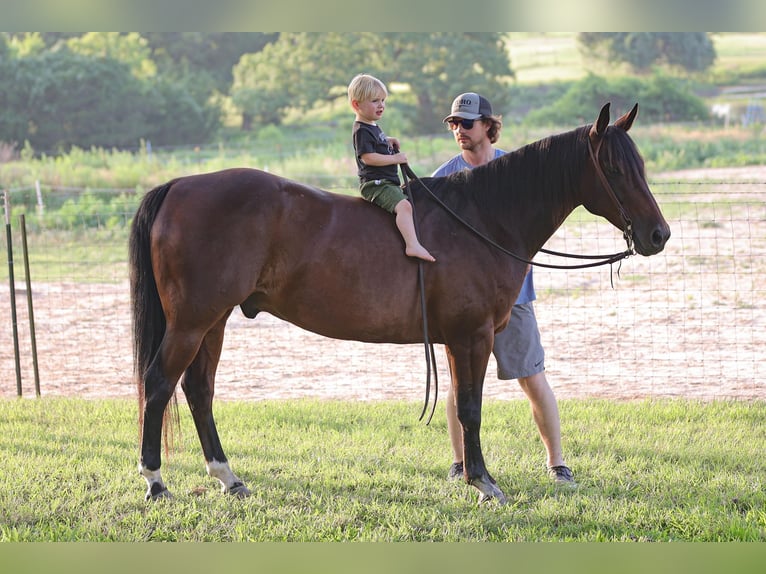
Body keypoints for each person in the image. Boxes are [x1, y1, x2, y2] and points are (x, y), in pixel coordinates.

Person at [432, 92, 575, 486]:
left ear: (488, 126)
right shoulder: (446, 176)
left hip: (515, 297)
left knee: (532, 378)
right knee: (460, 384)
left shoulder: (517, 172)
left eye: (466, 123)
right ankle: (460, 463)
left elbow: (537, 225)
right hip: (464, 303)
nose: (459, 131)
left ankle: (557, 464)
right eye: (454, 124)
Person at [347, 73, 435, 262]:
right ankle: (413, 245)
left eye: (383, 100)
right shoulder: (361, 130)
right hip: (376, 184)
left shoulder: (371, 126)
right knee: (404, 207)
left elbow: (375, 144)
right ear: (357, 105)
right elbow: (368, 157)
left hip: (388, 182)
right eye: (374, 101)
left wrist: (388, 140)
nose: (381, 105)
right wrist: (395, 158)